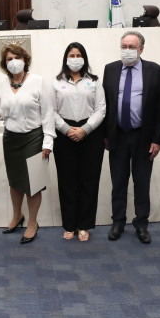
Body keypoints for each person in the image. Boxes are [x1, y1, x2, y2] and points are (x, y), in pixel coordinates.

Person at [102, 31, 160, 244]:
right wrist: (105, 135)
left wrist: (157, 139)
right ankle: (118, 222)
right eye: (124, 46)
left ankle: (141, 224)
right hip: (117, 136)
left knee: (141, 182)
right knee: (118, 182)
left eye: (132, 46)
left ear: (141, 49)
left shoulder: (154, 71)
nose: (127, 50)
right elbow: (106, 105)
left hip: (143, 137)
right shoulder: (110, 69)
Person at [0, 43, 55, 244]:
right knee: (15, 182)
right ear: (5, 64)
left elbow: (47, 113)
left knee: (34, 184)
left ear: (25, 60)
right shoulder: (2, 85)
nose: (13, 62)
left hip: (34, 137)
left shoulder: (39, 82)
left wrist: (48, 142)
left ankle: (32, 222)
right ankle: (16, 216)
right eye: (9, 59)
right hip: (10, 138)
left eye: (17, 58)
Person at [51, 42, 106, 242]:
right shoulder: (56, 82)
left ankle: (84, 225)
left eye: (78, 55)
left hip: (90, 134)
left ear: (84, 58)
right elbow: (51, 111)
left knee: (89, 181)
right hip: (64, 135)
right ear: (66, 58)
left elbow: (101, 109)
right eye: (71, 55)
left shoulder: (95, 81)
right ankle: (69, 225)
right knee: (67, 182)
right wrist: (66, 129)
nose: (75, 59)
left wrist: (85, 129)